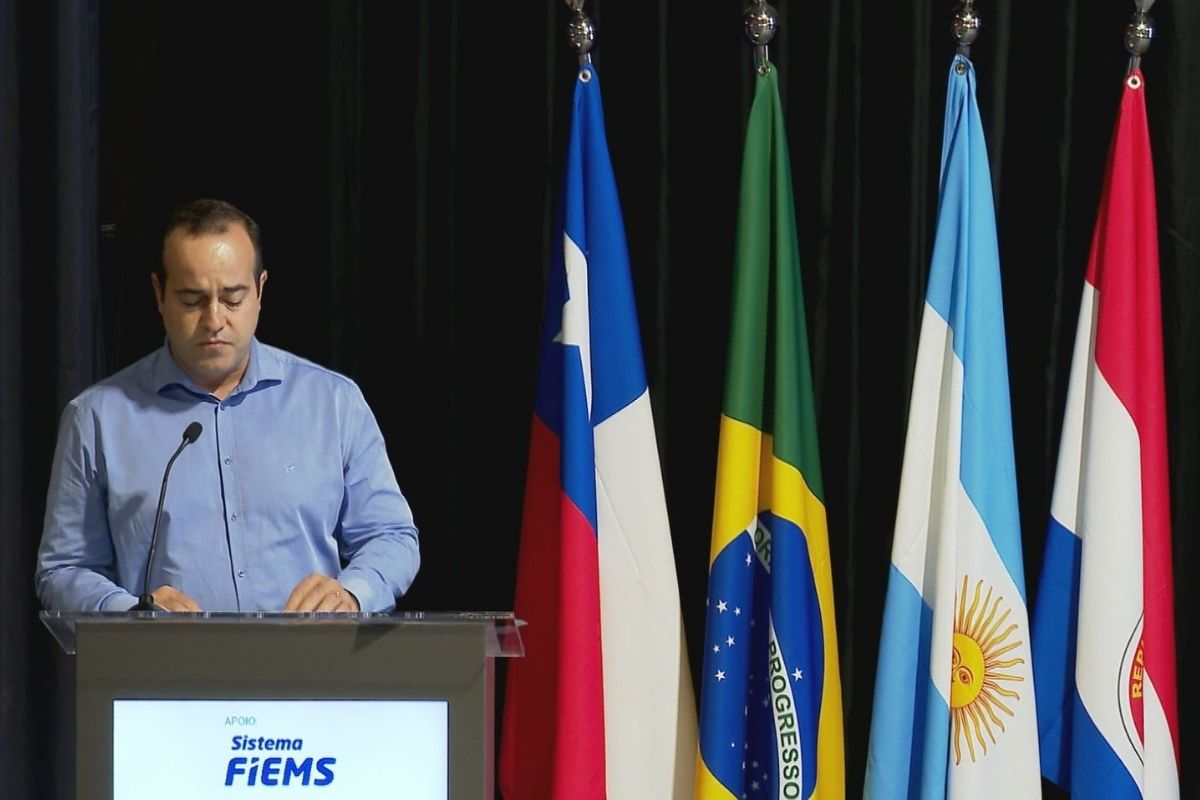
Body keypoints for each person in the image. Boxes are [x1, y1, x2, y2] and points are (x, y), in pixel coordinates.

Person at [35, 198, 419, 613]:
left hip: (312, 670)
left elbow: (392, 536)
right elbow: (63, 570)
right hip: (164, 672)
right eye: (191, 300)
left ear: (261, 291)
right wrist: (130, 613)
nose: (214, 319)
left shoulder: (334, 403)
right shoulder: (96, 418)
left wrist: (353, 592)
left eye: (233, 299)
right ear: (158, 294)